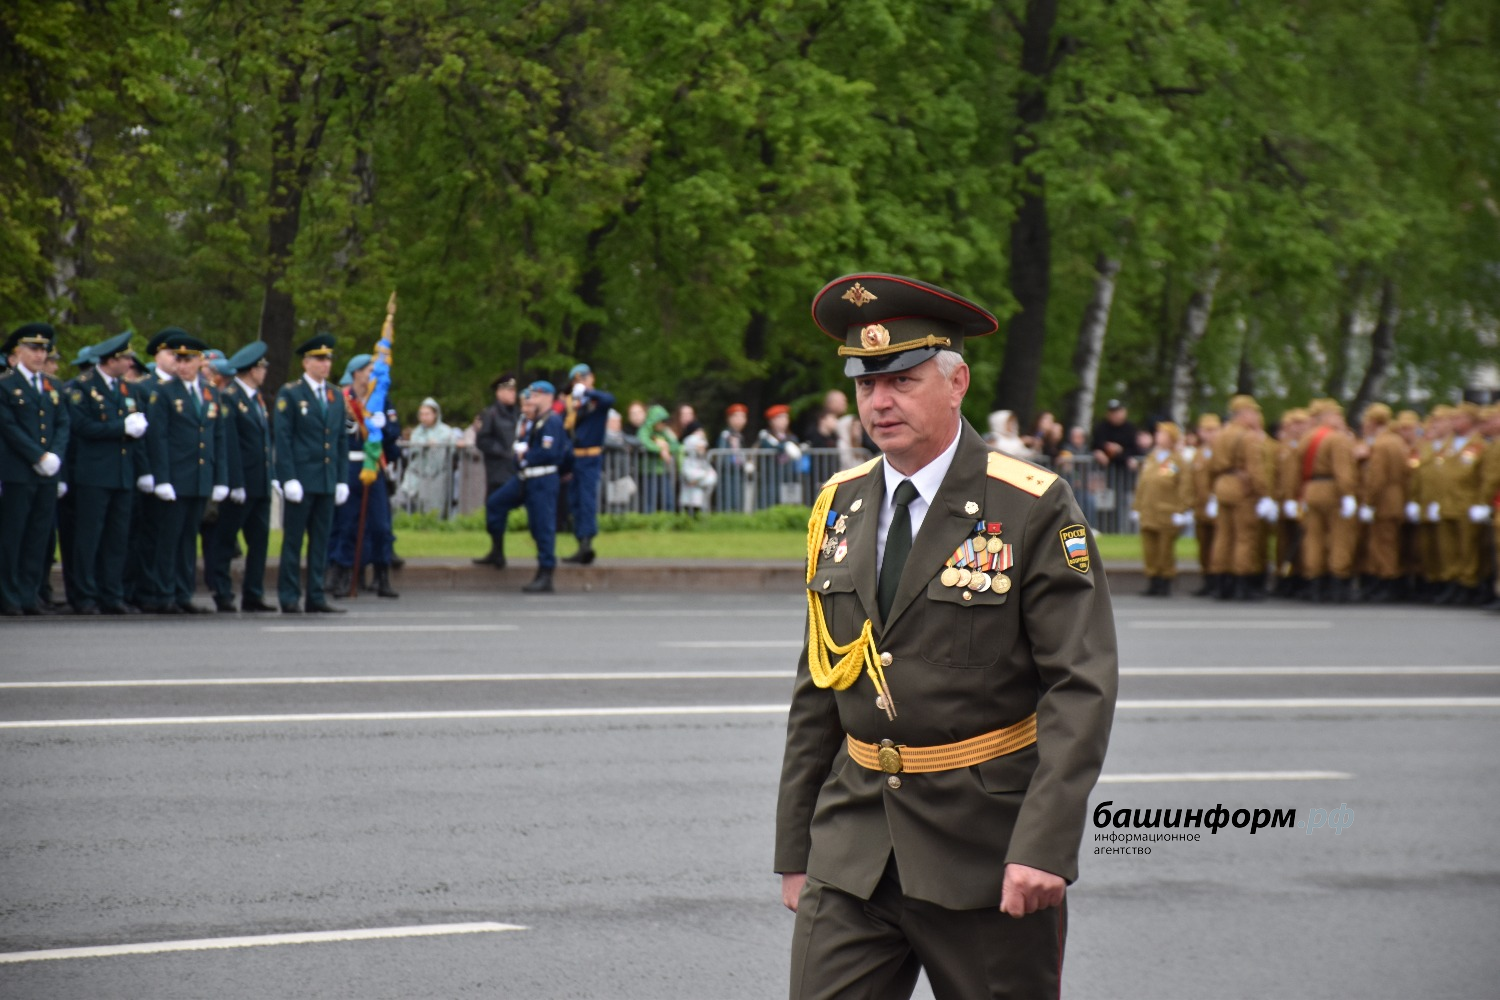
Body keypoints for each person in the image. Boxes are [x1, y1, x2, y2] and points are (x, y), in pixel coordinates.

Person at [776, 273, 1117, 1000]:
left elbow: (1079, 685)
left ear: (956, 382)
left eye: (901, 379)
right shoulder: (841, 505)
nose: (880, 402)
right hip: (854, 845)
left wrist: (1045, 845)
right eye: (867, 386)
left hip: (985, 852)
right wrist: (796, 848)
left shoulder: (1030, 506)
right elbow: (820, 685)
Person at [141, 332, 231, 614]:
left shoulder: (209, 393)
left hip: (199, 477)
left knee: (189, 538)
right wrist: (162, 478)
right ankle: (164, 592)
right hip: (175, 477)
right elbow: (159, 439)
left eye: (188, 359)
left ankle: (183, 592)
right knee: (169, 538)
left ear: (199, 361)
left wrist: (221, 478)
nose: (182, 365)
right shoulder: (165, 393)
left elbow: (218, 439)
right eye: (178, 359)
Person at [63, 331, 148, 615]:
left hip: (122, 473)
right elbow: (82, 427)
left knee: (117, 538)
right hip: (95, 474)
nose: (129, 363)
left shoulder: (127, 389)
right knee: (89, 538)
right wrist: (121, 428)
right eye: (126, 358)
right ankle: (85, 595)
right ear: (111, 359)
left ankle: (112, 594)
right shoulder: (82, 387)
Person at [273, 333, 350, 613]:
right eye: (319, 359)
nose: (325, 364)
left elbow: (340, 439)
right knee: (293, 541)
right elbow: (283, 438)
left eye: (328, 359)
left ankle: (315, 595)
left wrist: (342, 478)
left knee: (321, 542)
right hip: (302, 479)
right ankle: (289, 595)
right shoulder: (291, 393)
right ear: (306, 363)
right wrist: (288, 477)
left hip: (326, 478)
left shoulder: (334, 394)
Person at [0, 323, 72, 616]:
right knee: (13, 536)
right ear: (17, 351)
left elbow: (62, 423)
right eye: (34, 349)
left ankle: (29, 594)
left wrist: (54, 454)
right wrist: (37, 455)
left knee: (38, 536)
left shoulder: (53, 386)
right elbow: (8, 426)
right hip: (19, 470)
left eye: (44, 350)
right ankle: (8, 595)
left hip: (47, 472)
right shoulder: (5, 386)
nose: (40, 355)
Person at [207, 341, 276, 613]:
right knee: (225, 540)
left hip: (260, 482)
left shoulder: (255, 398)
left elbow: (263, 442)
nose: (265, 371)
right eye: (262, 366)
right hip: (241, 484)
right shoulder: (230, 397)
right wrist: (234, 481)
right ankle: (223, 593)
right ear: (250, 369)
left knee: (259, 542)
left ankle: (253, 593)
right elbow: (230, 444)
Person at [486, 380, 570, 592]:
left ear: (548, 397)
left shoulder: (552, 421)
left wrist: (526, 456)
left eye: (537, 395)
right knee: (496, 503)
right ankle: (497, 550)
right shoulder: (534, 421)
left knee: (542, 526)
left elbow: (549, 452)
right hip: (526, 477)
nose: (532, 398)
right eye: (531, 395)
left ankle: (546, 573)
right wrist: (520, 458)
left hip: (542, 478)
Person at [327, 354, 398, 599]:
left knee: (380, 524)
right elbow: (338, 432)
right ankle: (345, 574)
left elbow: (393, 433)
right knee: (348, 523)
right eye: (369, 370)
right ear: (356, 373)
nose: (372, 375)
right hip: (350, 466)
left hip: (373, 467)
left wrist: (383, 426)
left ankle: (382, 574)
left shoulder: (380, 399)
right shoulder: (343, 399)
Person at [1208, 395, 1272, 601]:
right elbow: (1255, 469)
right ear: (1244, 414)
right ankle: (1241, 584)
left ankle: (1221, 583)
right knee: (1245, 537)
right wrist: (1264, 493)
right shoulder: (1249, 437)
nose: (1256, 416)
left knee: (1223, 536)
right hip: (1242, 490)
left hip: (1223, 486)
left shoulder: (1221, 434)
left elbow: (1213, 465)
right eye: (1253, 412)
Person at [1296, 399, 1359, 603]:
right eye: (1337, 415)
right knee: (1340, 538)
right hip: (1333, 491)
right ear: (1329, 417)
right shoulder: (1337, 439)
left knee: (1313, 538)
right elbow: (1342, 470)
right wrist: (1348, 493)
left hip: (1312, 489)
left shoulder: (1307, 438)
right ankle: (1337, 584)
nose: (1340, 419)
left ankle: (1315, 583)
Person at [1131, 421, 1194, 596]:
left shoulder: (1177, 460)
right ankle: (1153, 581)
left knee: (1165, 550)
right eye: (1158, 433)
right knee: (1149, 549)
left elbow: (1185, 487)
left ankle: (1165, 581)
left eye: (1163, 434)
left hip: (1167, 511)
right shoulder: (1151, 458)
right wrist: (1136, 506)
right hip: (1148, 511)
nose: (1158, 437)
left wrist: (1182, 510)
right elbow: (1142, 484)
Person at [561, 363, 615, 564]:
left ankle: (587, 543)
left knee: (586, 501)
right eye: (577, 380)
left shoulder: (596, 401)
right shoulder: (574, 404)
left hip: (591, 457)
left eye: (583, 378)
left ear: (591, 378)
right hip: (575, 457)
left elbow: (610, 399)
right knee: (574, 501)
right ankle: (580, 543)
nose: (580, 383)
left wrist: (589, 392)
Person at [473, 373, 519, 566]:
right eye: (508, 390)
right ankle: (497, 550)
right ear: (499, 392)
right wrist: (503, 452)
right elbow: (482, 440)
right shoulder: (490, 414)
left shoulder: (519, 413)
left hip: (516, 469)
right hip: (498, 470)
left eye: (514, 390)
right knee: (495, 511)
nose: (512, 394)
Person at [397, 397, 458, 514]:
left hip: (437, 474)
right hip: (417, 472)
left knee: (433, 505)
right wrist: (424, 444)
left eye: (427, 414)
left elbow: (453, 447)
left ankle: (433, 525)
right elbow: (413, 447)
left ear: (435, 414)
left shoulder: (445, 431)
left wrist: (438, 444)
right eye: (421, 414)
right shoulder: (417, 432)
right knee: (405, 498)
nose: (423, 417)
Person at [637, 403, 680, 514]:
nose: (664, 424)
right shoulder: (644, 430)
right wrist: (660, 449)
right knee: (649, 500)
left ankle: (669, 522)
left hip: (662, 471)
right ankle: (648, 523)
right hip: (648, 471)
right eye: (662, 421)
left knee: (668, 499)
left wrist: (666, 448)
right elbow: (645, 443)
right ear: (655, 420)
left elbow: (676, 445)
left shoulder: (664, 431)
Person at [758, 404, 802, 509]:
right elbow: (770, 445)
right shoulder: (766, 436)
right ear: (772, 421)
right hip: (771, 478)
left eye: (786, 417)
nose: (785, 420)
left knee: (789, 505)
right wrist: (784, 446)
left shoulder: (791, 437)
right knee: (770, 505)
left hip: (788, 477)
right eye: (780, 417)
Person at [678, 414, 716, 516]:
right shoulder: (691, 441)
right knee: (690, 506)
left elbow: (712, 477)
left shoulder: (702, 460)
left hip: (700, 491)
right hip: (691, 491)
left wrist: (698, 479)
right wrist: (702, 477)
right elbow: (689, 475)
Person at [716, 403, 750, 514]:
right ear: (729, 419)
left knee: (738, 499)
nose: (740, 420)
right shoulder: (725, 435)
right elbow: (722, 454)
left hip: (738, 471)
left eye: (743, 417)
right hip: (728, 472)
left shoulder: (739, 436)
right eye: (737, 416)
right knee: (729, 499)